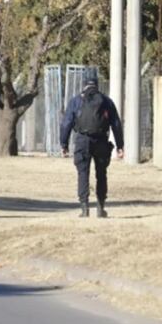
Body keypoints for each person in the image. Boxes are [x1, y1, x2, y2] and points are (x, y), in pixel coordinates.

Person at [60, 74, 124, 218]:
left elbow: (66, 124)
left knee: (83, 173)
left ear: (84, 85)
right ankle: (101, 208)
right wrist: (120, 145)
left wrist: (64, 144)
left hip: (83, 139)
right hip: (101, 140)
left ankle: (84, 208)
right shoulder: (106, 101)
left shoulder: (76, 101)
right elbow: (116, 124)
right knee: (101, 174)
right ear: (97, 85)